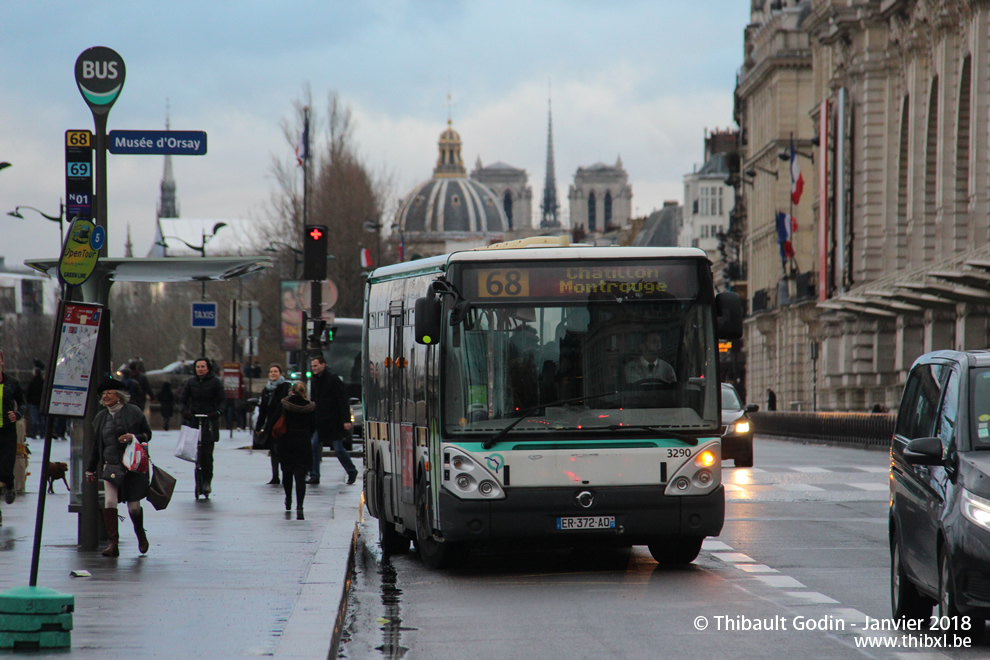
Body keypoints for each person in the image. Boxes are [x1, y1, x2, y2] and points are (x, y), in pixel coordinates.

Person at [85, 379, 153, 557]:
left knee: (133, 508)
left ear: (119, 396)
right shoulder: (100, 417)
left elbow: (148, 435)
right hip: (111, 465)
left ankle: (140, 533)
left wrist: (133, 436)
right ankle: (113, 543)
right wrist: (90, 469)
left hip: (133, 466)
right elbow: (96, 446)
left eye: (110, 392)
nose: (105, 396)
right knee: (109, 502)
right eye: (103, 394)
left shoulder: (134, 412)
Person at [179, 358, 225, 496]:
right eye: (198, 367)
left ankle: (207, 481)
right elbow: (182, 401)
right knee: (197, 455)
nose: (200, 369)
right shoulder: (190, 382)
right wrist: (185, 411)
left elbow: (222, 401)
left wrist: (217, 413)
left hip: (209, 421)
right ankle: (198, 483)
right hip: (194, 420)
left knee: (207, 454)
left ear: (208, 368)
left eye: (203, 366)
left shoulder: (215, 382)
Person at [308, 354, 356, 485]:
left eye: (316, 366)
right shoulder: (314, 381)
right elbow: (313, 401)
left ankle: (351, 471)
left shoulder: (333, 379)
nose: (314, 368)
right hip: (320, 420)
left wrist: (346, 420)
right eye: (312, 366)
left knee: (338, 449)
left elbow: (342, 400)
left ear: (323, 365)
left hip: (333, 421)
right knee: (314, 446)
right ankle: (314, 475)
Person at [278, 381, 315, 518]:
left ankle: (288, 499)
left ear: (292, 391)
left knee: (287, 474)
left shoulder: (284, 404)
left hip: (286, 442)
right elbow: (313, 426)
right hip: (303, 443)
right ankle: (300, 505)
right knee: (300, 476)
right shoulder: (310, 407)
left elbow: (277, 420)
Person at [254, 364, 292, 485]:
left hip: (283, 423)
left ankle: (286, 474)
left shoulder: (286, 387)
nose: (273, 374)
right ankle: (275, 476)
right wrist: (259, 426)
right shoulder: (266, 390)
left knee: (283, 450)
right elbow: (263, 410)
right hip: (271, 425)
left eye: (276, 371)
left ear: (281, 374)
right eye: (271, 372)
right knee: (273, 451)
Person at [0, 349, 25, 524]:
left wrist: (17, 414)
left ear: (2, 361)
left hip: (7, 431)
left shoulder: (12, 383)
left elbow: (23, 403)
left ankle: (9, 483)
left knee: (5, 470)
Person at [26, 368, 44, 439]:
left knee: (34, 419)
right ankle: (42, 433)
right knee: (42, 420)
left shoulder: (32, 382)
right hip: (41, 403)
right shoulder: (43, 382)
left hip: (33, 403)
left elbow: (28, 393)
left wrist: (28, 401)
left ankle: (34, 433)